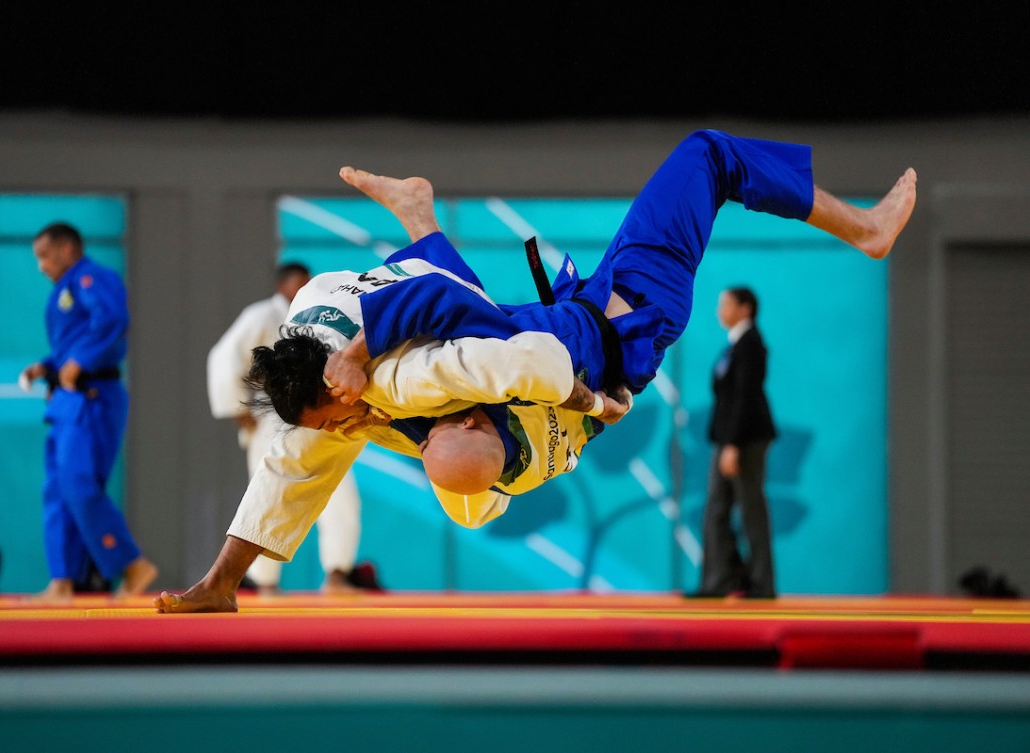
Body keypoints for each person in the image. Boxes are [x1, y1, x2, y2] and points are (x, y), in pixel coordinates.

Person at [156, 129, 915, 613]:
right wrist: (222, 580)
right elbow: (291, 459)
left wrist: (591, 400)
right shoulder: (321, 315)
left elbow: (450, 306)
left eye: (340, 409)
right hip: (589, 321)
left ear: (334, 370)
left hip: (585, 333)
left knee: (705, 155)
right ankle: (421, 220)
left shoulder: (378, 367)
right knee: (701, 157)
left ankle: (867, 231)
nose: (347, 423)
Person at [206, 262, 375, 594]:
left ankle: (337, 573)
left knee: (342, 495)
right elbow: (223, 357)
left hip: (324, 411)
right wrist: (236, 407)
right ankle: (265, 581)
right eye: (300, 281)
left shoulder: (317, 313)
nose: (305, 285)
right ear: (284, 283)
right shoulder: (261, 314)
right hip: (272, 419)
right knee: (269, 493)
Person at [20, 222, 157, 603]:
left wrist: (80, 360)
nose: (41, 266)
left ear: (66, 249)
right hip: (68, 402)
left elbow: (112, 319)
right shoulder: (65, 289)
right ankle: (61, 580)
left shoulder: (91, 278)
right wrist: (47, 367)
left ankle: (132, 564)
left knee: (79, 485)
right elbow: (72, 345)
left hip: (94, 396)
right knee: (58, 490)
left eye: (45, 256)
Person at [693, 287, 778, 598]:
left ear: (745, 308)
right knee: (716, 509)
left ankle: (762, 583)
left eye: (726, 304)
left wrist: (732, 445)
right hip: (729, 437)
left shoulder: (750, 344)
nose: (720, 310)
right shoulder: (735, 344)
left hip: (744, 440)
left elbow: (744, 397)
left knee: (750, 508)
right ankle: (721, 580)